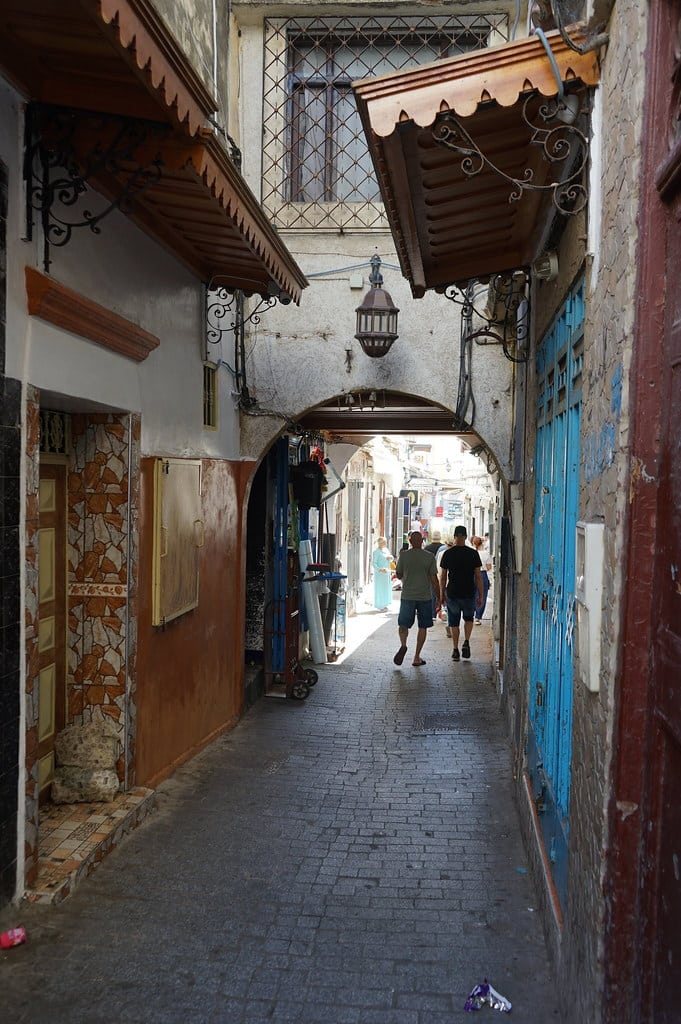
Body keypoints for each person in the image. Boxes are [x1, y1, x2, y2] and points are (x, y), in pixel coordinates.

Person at [393, 531, 439, 668]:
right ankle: (417, 657)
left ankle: (403, 645)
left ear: (410, 541)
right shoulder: (429, 557)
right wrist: (439, 597)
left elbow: (399, 574)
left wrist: (406, 576)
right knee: (423, 626)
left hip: (407, 595)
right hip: (424, 596)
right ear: (422, 541)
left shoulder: (404, 555)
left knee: (403, 624)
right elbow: (434, 580)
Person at [439, 524, 484, 661]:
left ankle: (455, 649)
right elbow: (478, 576)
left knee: (454, 621)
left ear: (454, 537)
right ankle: (467, 642)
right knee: (469, 618)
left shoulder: (448, 553)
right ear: (465, 537)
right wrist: (481, 594)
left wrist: (441, 594)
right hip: (469, 591)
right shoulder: (473, 553)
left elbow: (443, 576)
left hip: (452, 592)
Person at [424, 530, 446, 617]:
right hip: (441, 572)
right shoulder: (443, 547)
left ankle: (433, 614)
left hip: (430, 573)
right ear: (440, 538)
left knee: (432, 593)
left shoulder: (426, 548)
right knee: (442, 592)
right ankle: (442, 610)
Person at [471, 535, 492, 623]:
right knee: (482, 595)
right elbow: (489, 567)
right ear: (481, 543)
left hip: (471, 575)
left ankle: (470, 614)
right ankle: (478, 617)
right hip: (482, 574)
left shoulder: (471, 553)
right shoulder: (485, 553)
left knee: (471, 594)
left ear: (472, 543)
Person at [371, 536, 393, 611]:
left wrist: (390, 558)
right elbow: (374, 563)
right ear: (380, 543)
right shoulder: (376, 552)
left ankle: (386, 604)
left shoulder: (386, 550)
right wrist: (380, 570)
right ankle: (380, 605)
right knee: (380, 589)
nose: (386, 543)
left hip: (387, 573)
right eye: (384, 542)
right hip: (380, 574)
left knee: (386, 588)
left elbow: (391, 558)